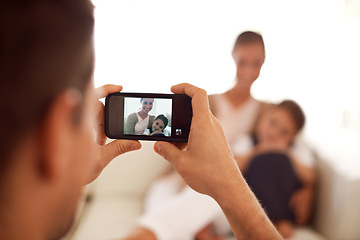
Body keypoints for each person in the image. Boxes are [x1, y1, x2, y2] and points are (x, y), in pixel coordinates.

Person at [0, 1, 283, 240]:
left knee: (196, 205)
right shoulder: (210, 102)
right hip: (179, 181)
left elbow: (274, 145)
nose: (248, 70)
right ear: (57, 136)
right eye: (85, 113)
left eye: (256, 62)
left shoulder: (265, 111)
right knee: (168, 200)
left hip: (209, 190)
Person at [232, 100, 316, 238]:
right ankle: (266, 222)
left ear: (293, 137)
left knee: (280, 160)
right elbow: (232, 168)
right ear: (263, 117)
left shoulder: (295, 150)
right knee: (261, 161)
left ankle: (281, 220)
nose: (274, 134)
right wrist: (259, 150)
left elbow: (310, 176)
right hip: (254, 206)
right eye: (272, 123)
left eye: (284, 132)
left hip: (285, 206)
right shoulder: (247, 142)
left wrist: (286, 152)